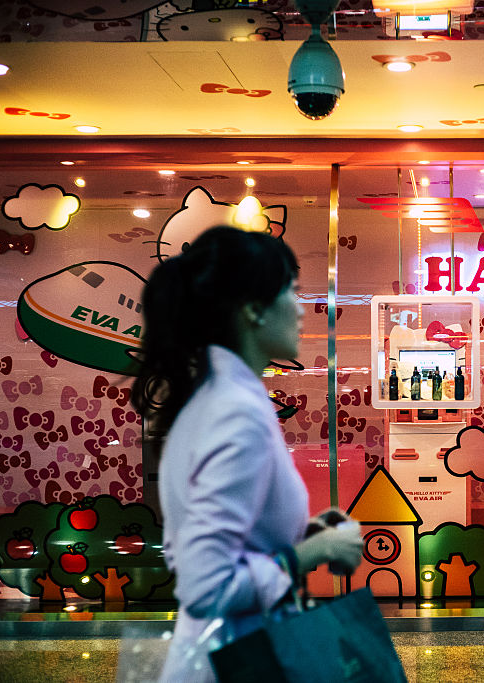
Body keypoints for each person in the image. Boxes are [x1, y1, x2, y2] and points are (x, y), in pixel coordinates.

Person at [131, 226, 364, 682]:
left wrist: (297, 536)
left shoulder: (215, 397)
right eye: (291, 292)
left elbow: (223, 541)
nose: (301, 310)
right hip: (234, 660)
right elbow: (207, 586)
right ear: (253, 309)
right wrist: (312, 552)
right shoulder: (237, 412)